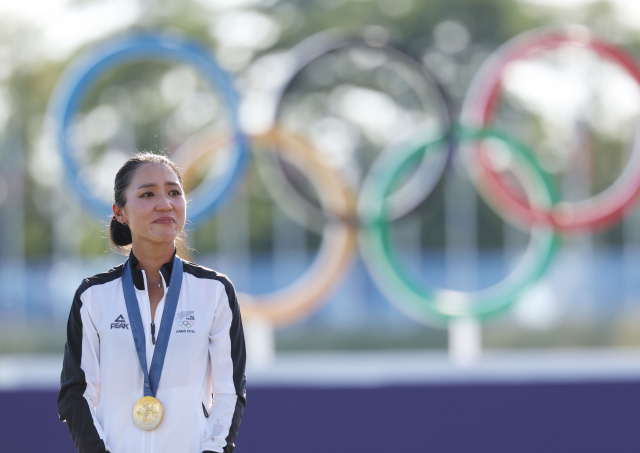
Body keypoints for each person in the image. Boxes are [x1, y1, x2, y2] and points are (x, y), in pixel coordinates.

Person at [57, 153, 246, 453]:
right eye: (147, 194)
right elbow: (76, 394)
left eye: (174, 192)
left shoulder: (215, 291)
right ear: (120, 212)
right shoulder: (92, 296)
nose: (164, 203)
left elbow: (229, 392)